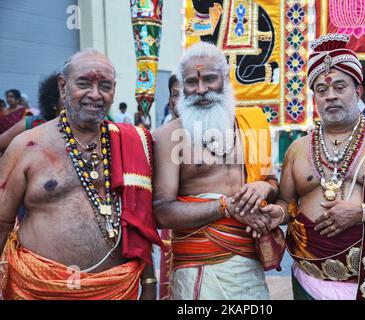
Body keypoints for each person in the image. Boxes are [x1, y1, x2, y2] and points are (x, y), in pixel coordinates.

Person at [260, 34, 365, 300]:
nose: (331, 96)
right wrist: (277, 214)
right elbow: (286, 202)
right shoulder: (297, 149)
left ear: (358, 91)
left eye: (340, 87)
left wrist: (362, 212)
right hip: (308, 279)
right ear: (315, 99)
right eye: (322, 91)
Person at [0, 49, 161, 300]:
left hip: (118, 289)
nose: (95, 94)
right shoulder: (26, 146)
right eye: (84, 83)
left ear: (114, 91)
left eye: (105, 86)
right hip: (41, 290)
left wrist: (149, 283)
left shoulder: (133, 141)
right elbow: (2, 223)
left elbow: (140, 220)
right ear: (63, 87)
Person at [153, 42, 282, 300]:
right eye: (191, 82)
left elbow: (272, 184)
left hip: (249, 268)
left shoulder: (254, 124)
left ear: (225, 78)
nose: (201, 90)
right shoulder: (167, 136)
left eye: (209, 79)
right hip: (199, 270)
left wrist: (263, 187)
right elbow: (161, 211)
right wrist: (225, 207)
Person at [0, 73, 63, 153]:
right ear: (52, 102)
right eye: (8, 96)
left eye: (11, 96)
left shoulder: (23, 110)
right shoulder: (32, 123)